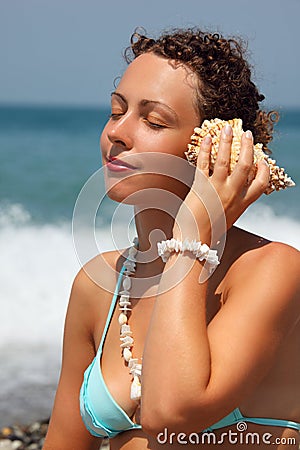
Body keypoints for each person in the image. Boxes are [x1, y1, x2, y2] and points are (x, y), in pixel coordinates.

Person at [43, 28, 300, 450]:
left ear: (216, 147)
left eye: (153, 120)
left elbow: (171, 414)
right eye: (115, 111)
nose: (117, 133)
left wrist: (194, 232)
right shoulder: (98, 284)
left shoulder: (272, 270)